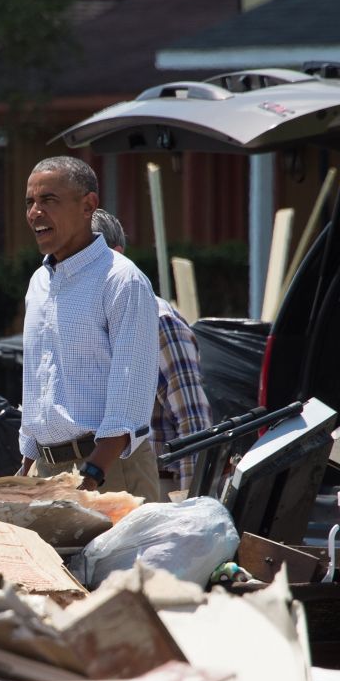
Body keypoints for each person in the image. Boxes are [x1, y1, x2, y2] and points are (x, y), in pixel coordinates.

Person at [18, 156, 160, 504]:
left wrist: (93, 473)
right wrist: (26, 467)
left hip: (109, 470)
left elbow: (131, 394)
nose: (35, 212)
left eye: (49, 200)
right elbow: (37, 383)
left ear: (88, 205)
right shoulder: (39, 282)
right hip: (48, 472)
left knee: (119, 562)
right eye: (30, 202)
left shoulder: (122, 280)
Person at [90, 209, 213, 498]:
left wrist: (190, 508)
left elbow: (193, 422)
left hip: (158, 488)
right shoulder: (85, 323)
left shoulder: (157, 320)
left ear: (117, 255)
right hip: (100, 479)